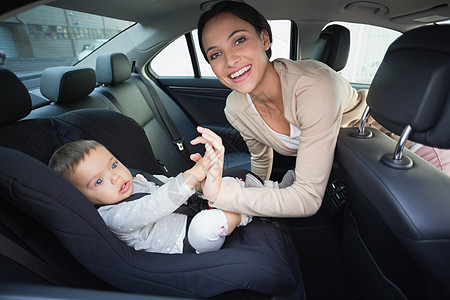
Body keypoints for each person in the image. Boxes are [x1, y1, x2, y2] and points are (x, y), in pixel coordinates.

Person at [197, 0, 369, 218]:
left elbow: (307, 198)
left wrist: (222, 193)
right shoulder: (235, 108)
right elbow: (261, 158)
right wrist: (251, 197)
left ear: (264, 39)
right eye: (215, 54)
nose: (230, 60)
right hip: (348, 173)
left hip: (394, 151)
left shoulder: (315, 84)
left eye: (239, 40)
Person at [48, 127, 252, 254]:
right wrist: (191, 176)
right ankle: (244, 212)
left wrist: (199, 185)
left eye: (113, 165)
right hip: (188, 242)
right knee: (206, 225)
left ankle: (261, 191)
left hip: (193, 212)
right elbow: (153, 205)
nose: (116, 176)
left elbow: (166, 184)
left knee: (220, 182)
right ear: (86, 199)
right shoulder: (111, 217)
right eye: (99, 181)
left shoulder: (136, 181)